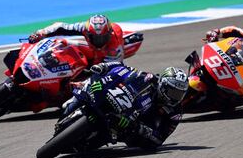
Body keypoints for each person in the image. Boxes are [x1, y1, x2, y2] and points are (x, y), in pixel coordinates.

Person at [61, 61, 189, 149]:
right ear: (163, 85)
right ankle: (71, 107)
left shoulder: (175, 111)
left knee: (135, 142)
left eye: (180, 94)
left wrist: (139, 128)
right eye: (173, 92)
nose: (175, 97)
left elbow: (159, 140)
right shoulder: (148, 78)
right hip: (119, 102)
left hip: (133, 126)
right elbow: (123, 68)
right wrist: (104, 67)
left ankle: (94, 140)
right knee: (85, 87)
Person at [28, 14, 125, 65]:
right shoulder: (84, 27)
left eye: (102, 37)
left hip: (108, 55)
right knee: (62, 43)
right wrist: (41, 33)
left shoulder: (114, 45)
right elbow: (60, 26)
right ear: (87, 32)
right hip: (92, 50)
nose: (99, 41)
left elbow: (112, 67)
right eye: (95, 37)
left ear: (109, 34)